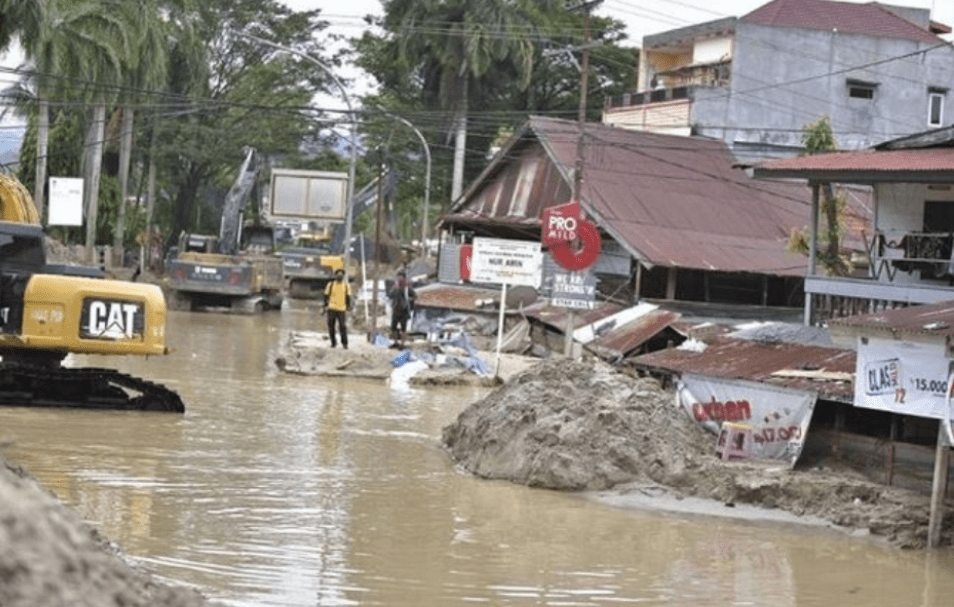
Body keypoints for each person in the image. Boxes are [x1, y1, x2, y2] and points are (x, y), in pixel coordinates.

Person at [323, 268, 351, 349]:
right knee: (331, 326)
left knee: (343, 326)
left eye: (341, 275)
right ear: (335, 276)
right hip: (331, 308)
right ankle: (333, 342)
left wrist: (348, 307)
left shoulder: (346, 286)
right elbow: (326, 296)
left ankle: (344, 343)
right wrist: (325, 306)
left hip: (342, 309)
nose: (340, 277)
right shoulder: (330, 285)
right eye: (338, 275)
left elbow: (348, 297)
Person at [388, 270, 416, 347]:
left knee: (403, 328)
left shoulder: (407, 288)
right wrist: (396, 289)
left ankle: (402, 344)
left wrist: (408, 299)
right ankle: (396, 342)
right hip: (396, 310)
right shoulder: (395, 287)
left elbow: (413, 295)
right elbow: (390, 295)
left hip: (404, 310)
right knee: (393, 328)